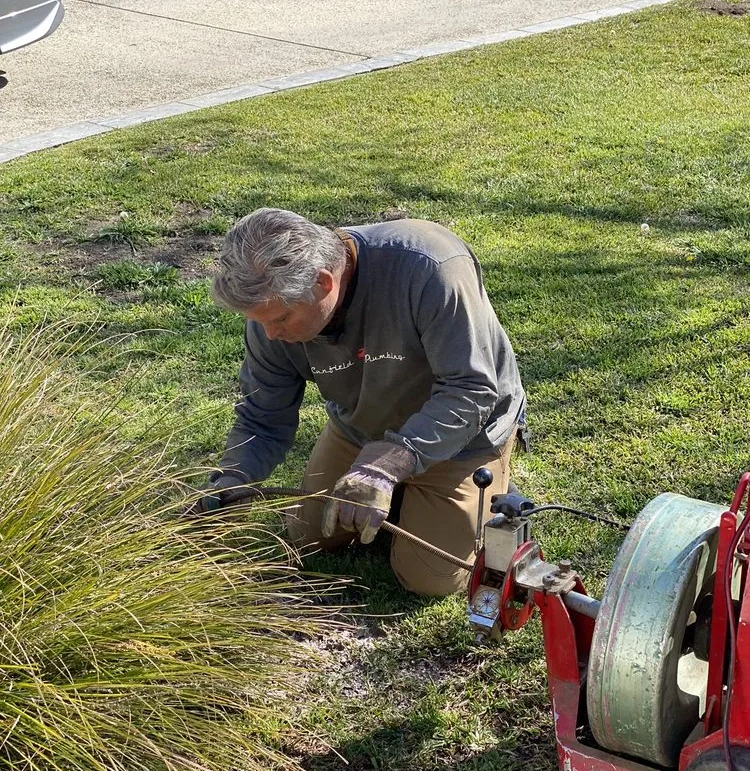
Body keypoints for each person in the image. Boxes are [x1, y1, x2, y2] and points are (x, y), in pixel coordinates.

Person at [201, 207, 526, 597]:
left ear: (323, 283)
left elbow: (470, 390)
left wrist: (386, 467)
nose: (270, 335)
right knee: (305, 537)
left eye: (282, 319)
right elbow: (262, 416)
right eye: (261, 321)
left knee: (430, 578)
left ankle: (421, 487)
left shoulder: (430, 267)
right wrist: (232, 479)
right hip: (361, 427)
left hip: (461, 435)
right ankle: (401, 493)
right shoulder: (273, 309)